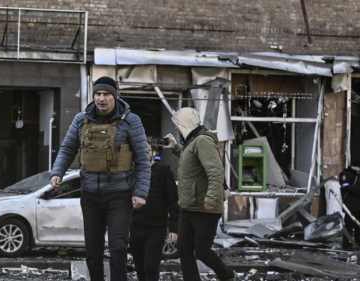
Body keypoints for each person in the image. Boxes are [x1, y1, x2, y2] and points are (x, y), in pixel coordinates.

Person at [49, 76, 150, 281]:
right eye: (98, 94)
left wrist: (140, 193)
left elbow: (142, 159)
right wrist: (57, 172)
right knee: (92, 250)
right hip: (90, 194)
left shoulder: (131, 120)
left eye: (106, 94)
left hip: (120, 195)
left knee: (118, 247)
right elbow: (67, 148)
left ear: (115, 96)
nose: (101, 98)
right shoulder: (81, 119)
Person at [171, 107, 234, 281]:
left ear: (184, 124)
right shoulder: (192, 141)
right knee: (184, 249)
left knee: (202, 251)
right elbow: (192, 162)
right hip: (189, 206)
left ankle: (227, 275)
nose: (176, 129)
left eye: (177, 125)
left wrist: (212, 198)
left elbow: (215, 172)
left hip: (204, 207)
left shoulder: (202, 141)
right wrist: (175, 148)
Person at [130, 143, 178, 281]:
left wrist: (174, 228)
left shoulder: (163, 171)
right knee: (139, 267)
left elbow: (173, 201)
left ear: (153, 152)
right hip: (135, 226)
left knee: (150, 266)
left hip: (156, 228)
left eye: (147, 150)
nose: (144, 153)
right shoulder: (132, 172)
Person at [339, 166, 360, 250]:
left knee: (359, 227)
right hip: (350, 206)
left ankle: (358, 243)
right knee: (349, 226)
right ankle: (346, 244)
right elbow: (345, 186)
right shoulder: (345, 174)